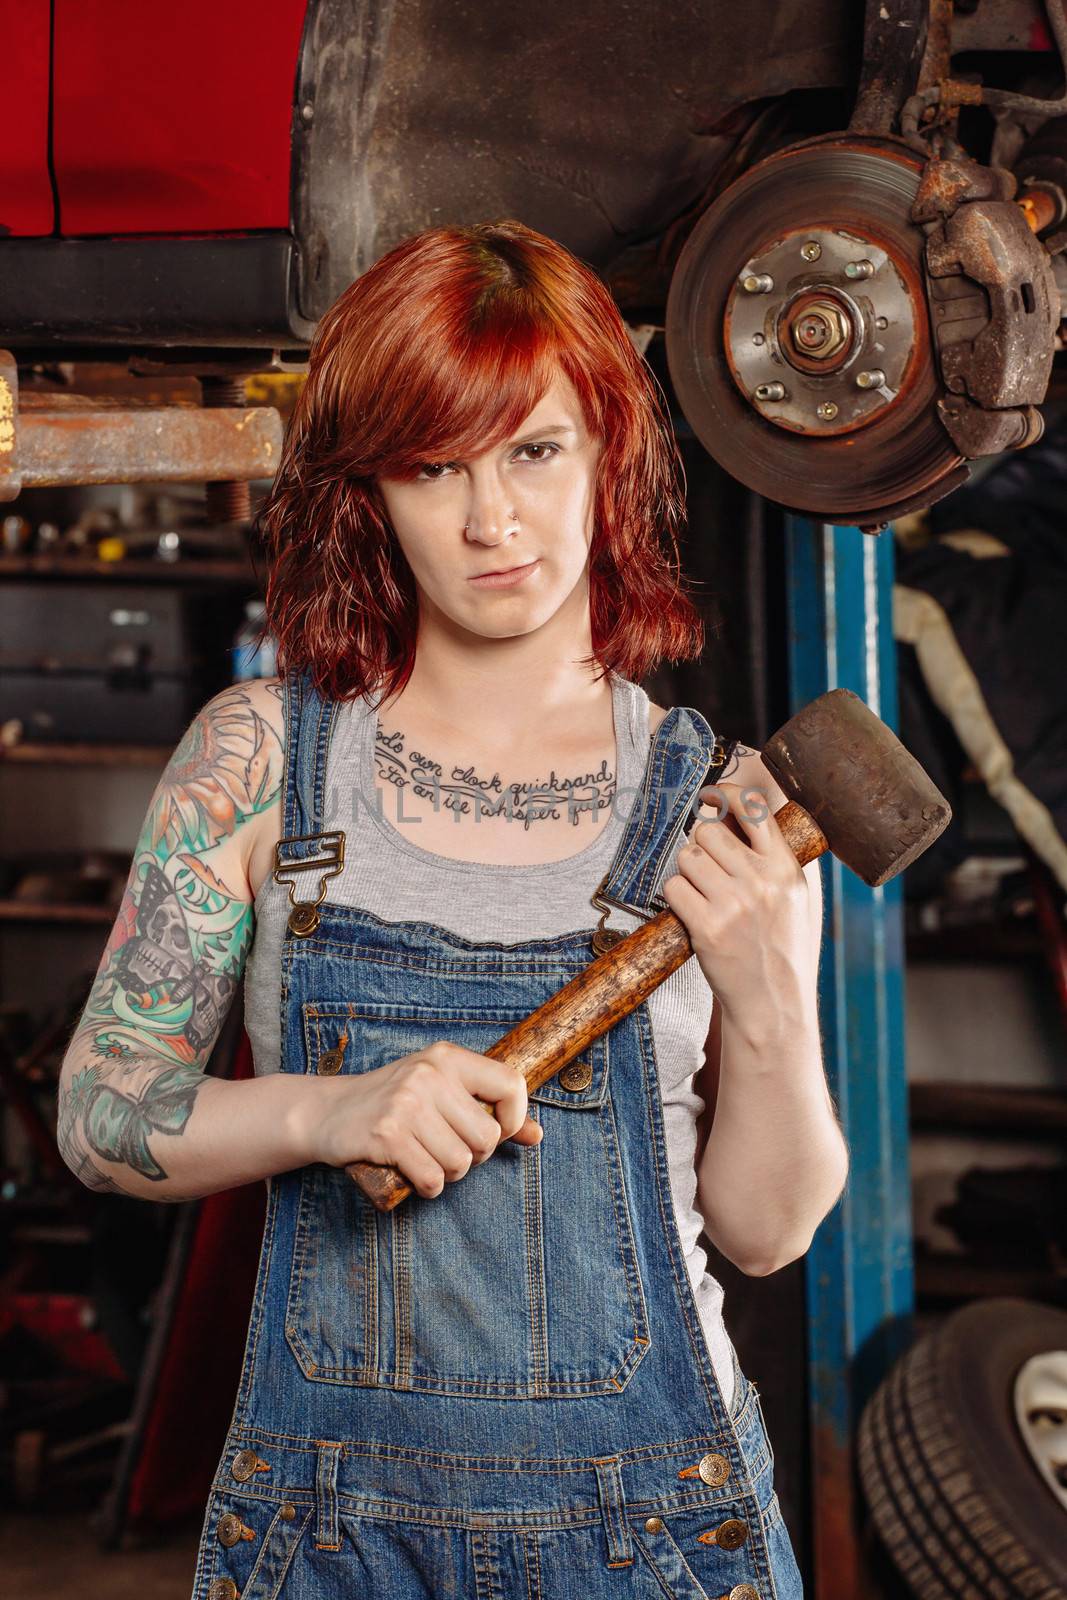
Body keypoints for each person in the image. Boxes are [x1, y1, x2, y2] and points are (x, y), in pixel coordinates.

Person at [58, 220, 847, 1599]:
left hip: (651, 1534)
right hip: (328, 1539)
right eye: (435, 468)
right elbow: (98, 1113)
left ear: (609, 447)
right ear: (371, 494)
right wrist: (325, 1111)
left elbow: (766, 1232)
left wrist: (773, 1004)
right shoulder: (256, 764)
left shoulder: (719, 809)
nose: (494, 521)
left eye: (534, 451)